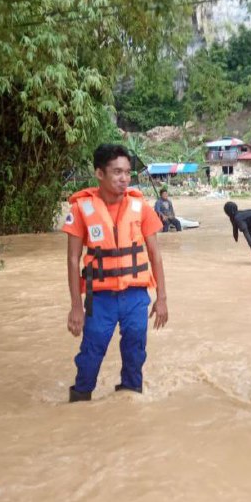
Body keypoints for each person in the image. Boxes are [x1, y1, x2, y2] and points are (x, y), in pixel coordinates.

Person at [63, 144, 169, 401]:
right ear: (99, 173)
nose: (124, 179)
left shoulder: (140, 206)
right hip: (100, 297)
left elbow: (155, 254)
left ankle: (129, 401)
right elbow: (73, 258)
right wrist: (76, 305)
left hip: (135, 295)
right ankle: (80, 399)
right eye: (117, 172)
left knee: (135, 349)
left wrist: (162, 298)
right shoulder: (81, 209)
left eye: (127, 173)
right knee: (91, 351)